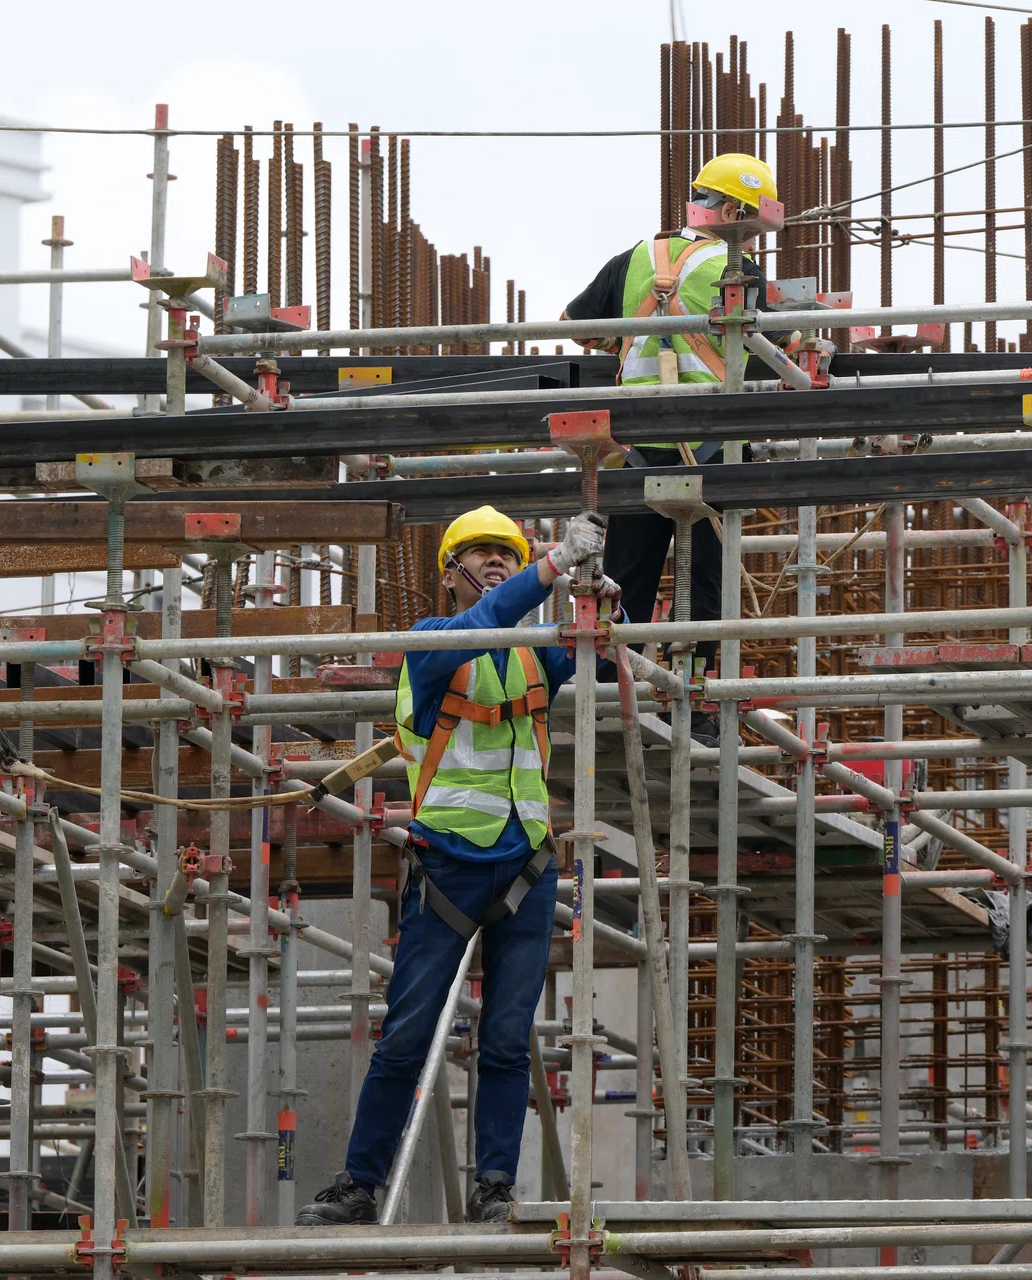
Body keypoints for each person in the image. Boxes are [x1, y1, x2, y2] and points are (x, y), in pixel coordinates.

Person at [297, 505, 619, 1227]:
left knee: (507, 1040)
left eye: (507, 553)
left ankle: (495, 1186)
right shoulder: (432, 643)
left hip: (525, 871)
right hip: (447, 868)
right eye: (480, 554)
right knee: (408, 1036)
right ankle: (359, 1185)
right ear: (451, 576)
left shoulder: (536, 653)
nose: (497, 563)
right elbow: (505, 610)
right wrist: (552, 566)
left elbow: (593, 647)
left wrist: (601, 599)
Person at [561, 151, 779, 748]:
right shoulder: (738, 271)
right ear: (735, 211)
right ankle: (700, 702)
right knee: (704, 583)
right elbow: (776, 351)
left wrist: (635, 330)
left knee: (624, 577)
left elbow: (576, 322)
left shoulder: (637, 257)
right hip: (707, 447)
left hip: (633, 445)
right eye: (754, 223)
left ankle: (606, 689)